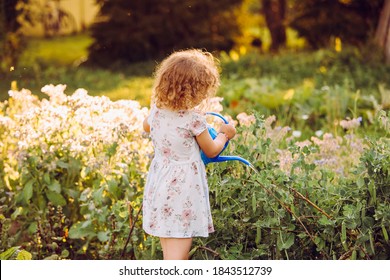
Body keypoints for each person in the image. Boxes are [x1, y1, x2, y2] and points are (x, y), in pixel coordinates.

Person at [142, 49, 236, 260]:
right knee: (178, 255)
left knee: (170, 247)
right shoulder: (193, 120)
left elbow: (147, 127)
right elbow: (212, 150)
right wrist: (224, 133)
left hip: (160, 184)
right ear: (192, 92)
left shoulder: (156, 111)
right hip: (182, 191)